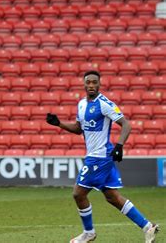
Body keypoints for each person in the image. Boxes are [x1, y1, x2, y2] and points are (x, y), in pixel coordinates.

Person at [46, 71, 160, 243]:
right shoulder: (82, 104)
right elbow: (79, 129)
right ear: (84, 84)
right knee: (112, 197)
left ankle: (89, 232)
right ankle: (147, 227)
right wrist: (59, 124)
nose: (91, 85)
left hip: (100, 157)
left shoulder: (105, 104)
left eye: (94, 82)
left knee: (78, 193)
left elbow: (126, 124)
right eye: (88, 82)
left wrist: (119, 146)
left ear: (99, 84)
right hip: (94, 156)